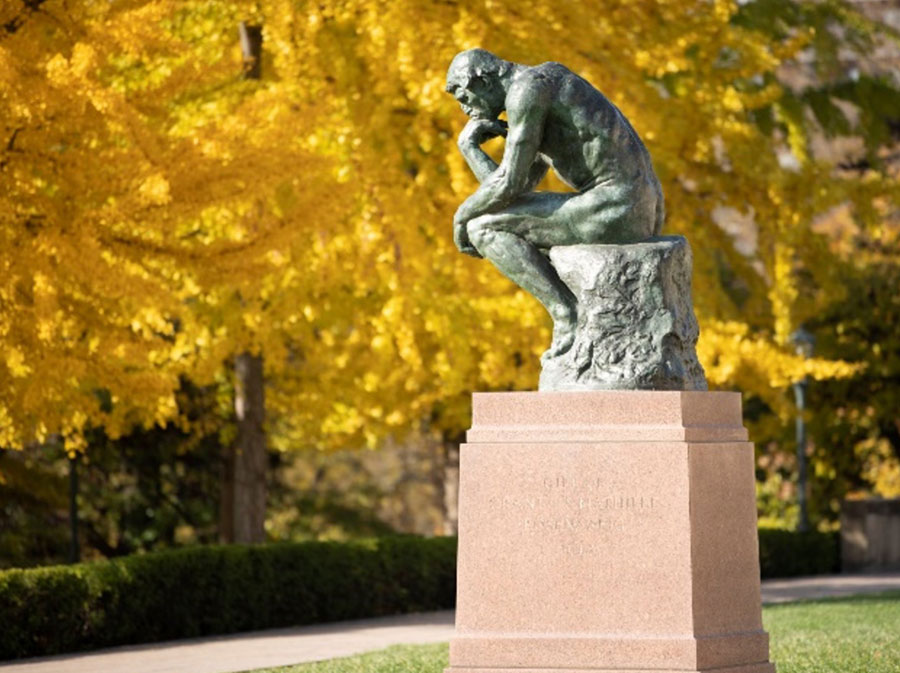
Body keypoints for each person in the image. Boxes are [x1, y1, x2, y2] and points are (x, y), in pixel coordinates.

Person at [446, 48, 665, 356]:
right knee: (486, 221)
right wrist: (470, 148)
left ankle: (567, 314)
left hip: (618, 206)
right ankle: (569, 313)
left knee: (481, 228)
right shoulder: (541, 86)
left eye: (463, 96)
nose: (464, 108)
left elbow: (507, 184)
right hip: (634, 204)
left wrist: (461, 216)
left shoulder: (526, 92)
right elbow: (514, 191)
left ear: (482, 80)